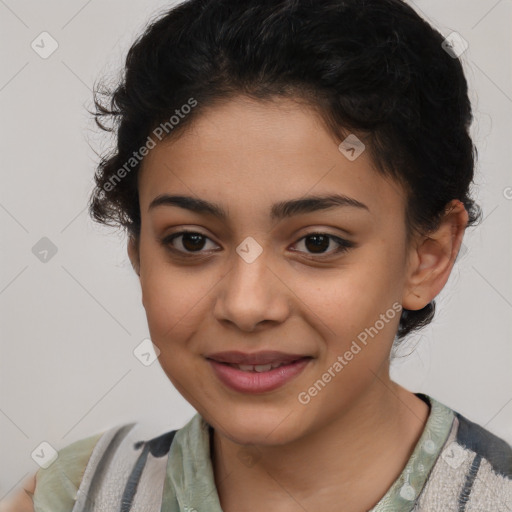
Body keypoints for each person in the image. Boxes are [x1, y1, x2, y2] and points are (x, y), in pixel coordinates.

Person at [3, 0, 511, 510]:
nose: (246, 306)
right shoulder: (69, 497)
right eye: (191, 240)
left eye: (318, 242)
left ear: (428, 255)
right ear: (139, 253)